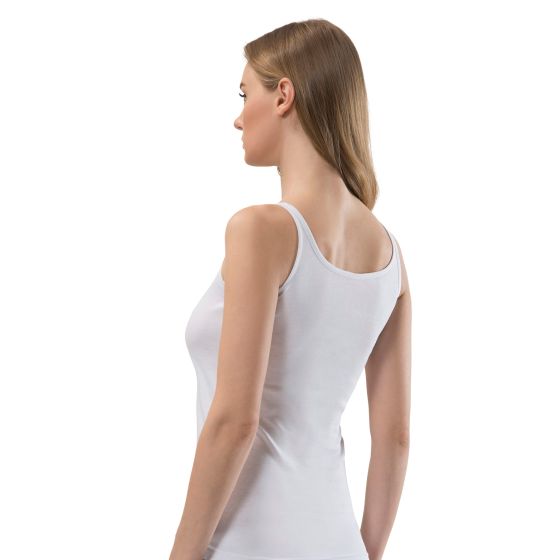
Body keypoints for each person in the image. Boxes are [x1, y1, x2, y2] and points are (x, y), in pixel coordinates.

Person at [170, 18, 411, 560]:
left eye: (244, 94)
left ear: (284, 95)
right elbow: (395, 436)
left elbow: (235, 422)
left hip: (250, 543)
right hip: (339, 543)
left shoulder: (261, 231)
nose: (238, 118)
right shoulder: (392, 257)